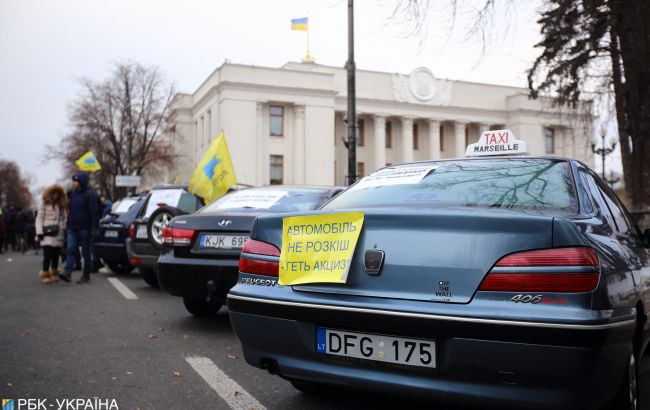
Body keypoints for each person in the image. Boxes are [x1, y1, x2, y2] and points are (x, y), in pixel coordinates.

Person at [60, 173, 99, 284]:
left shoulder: (89, 195)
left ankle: (86, 275)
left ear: (81, 182)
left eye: (75, 181)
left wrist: (94, 229)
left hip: (85, 228)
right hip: (72, 227)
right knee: (71, 249)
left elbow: (94, 213)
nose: (73, 183)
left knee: (85, 252)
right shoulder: (72, 194)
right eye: (73, 181)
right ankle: (67, 273)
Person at [35, 185, 67, 284]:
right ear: (50, 194)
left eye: (57, 194)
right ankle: (45, 273)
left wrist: (63, 227)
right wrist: (39, 232)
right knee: (47, 254)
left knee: (56, 255)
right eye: (54, 194)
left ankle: (54, 273)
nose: (56, 196)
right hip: (46, 232)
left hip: (58, 232)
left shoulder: (62, 205)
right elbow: (39, 219)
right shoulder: (43, 204)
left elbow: (64, 218)